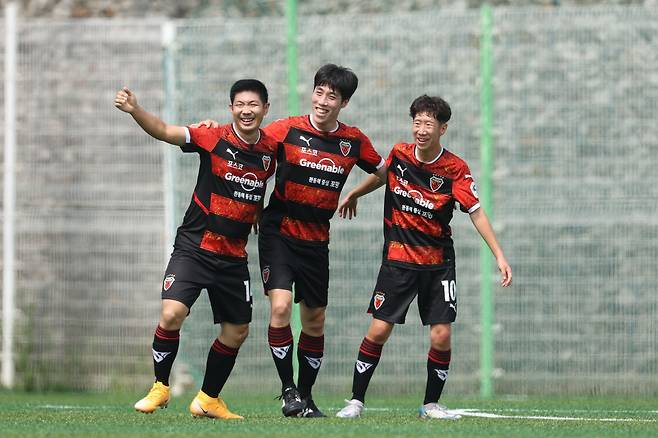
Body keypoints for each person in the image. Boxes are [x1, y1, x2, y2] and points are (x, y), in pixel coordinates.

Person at [196, 64, 386, 417]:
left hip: (317, 240)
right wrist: (213, 129)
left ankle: (306, 396)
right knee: (280, 307)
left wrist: (356, 193)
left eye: (332, 96)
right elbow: (248, 145)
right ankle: (288, 391)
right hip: (279, 231)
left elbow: (384, 172)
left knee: (314, 321)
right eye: (319, 92)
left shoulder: (353, 141)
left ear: (344, 103)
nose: (323, 101)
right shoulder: (285, 129)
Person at [334, 95, 512, 420]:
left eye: (428, 123)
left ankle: (431, 405)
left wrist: (499, 256)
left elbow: (476, 212)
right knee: (378, 330)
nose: (421, 129)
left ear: (442, 128)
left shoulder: (455, 169)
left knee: (442, 334)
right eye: (417, 122)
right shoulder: (400, 154)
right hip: (398, 260)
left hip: (438, 264)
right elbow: (382, 175)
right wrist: (355, 193)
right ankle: (355, 401)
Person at [113, 79, 277, 419]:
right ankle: (160, 387)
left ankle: (208, 400)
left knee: (237, 331)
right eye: (240, 104)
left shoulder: (272, 151)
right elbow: (164, 131)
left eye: (254, 105)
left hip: (233, 256)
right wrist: (135, 110)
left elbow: (254, 188)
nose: (247, 110)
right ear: (231, 108)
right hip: (194, 248)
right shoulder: (211, 136)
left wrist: (258, 212)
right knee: (172, 314)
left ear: (265, 109)